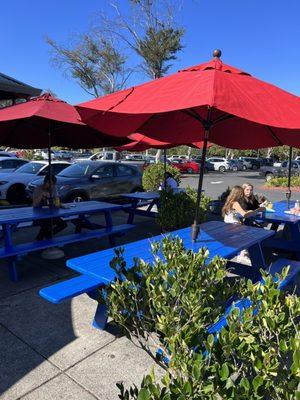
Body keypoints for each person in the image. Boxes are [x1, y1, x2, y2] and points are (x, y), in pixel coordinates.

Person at [222, 186, 261, 264]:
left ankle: (242, 253)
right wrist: (257, 211)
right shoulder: (235, 203)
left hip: (228, 225)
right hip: (234, 226)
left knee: (249, 229)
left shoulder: (229, 201)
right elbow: (244, 214)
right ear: (238, 194)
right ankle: (243, 255)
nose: (242, 195)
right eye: (241, 194)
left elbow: (238, 212)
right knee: (253, 234)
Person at [33, 174, 67, 241]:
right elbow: (34, 204)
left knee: (63, 224)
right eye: (50, 184)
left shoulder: (53, 188)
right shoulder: (38, 189)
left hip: (51, 214)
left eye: (53, 184)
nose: (52, 186)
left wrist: (58, 202)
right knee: (47, 226)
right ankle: (45, 241)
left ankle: (47, 237)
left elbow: (57, 201)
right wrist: (41, 195)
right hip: (40, 215)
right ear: (45, 182)